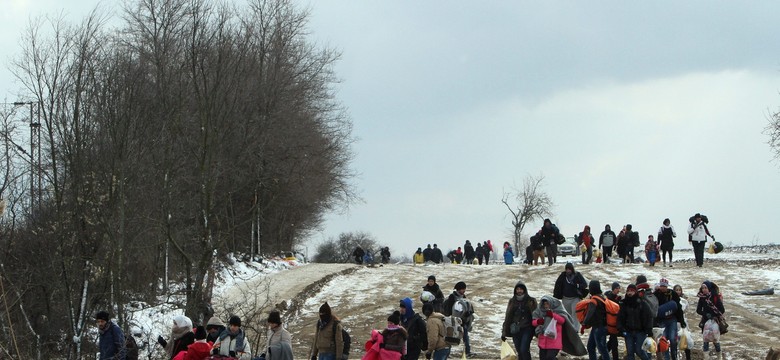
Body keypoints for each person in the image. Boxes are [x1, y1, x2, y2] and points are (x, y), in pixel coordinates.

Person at [501, 281, 537, 360]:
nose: (519, 291)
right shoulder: (512, 301)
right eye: (517, 289)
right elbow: (508, 317)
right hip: (515, 329)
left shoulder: (531, 301)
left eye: (521, 289)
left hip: (527, 328)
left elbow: (536, 315)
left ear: (524, 290)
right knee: (519, 351)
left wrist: (538, 329)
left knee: (524, 349)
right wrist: (504, 332)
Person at [617, 284, 652, 360]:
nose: (630, 293)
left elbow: (649, 316)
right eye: (628, 291)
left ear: (635, 292)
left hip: (640, 331)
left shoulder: (642, 303)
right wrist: (620, 328)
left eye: (632, 291)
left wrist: (649, 329)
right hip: (628, 331)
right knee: (630, 353)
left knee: (639, 351)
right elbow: (620, 317)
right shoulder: (624, 304)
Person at [654, 278, 686, 360]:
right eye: (661, 286)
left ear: (667, 286)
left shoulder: (672, 294)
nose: (663, 288)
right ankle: (667, 358)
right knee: (663, 341)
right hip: (661, 321)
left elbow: (678, 307)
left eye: (664, 286)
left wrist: (682, 321)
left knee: (672, 339)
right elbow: (654, 308)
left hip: (672, 319)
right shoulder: (656, 294)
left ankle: (674, 356)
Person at [552, 262, 588, 332]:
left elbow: (584, 284)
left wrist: (577, 285)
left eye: (569, 269)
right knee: (567, 314)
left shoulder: (577, 275)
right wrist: (557, 295)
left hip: (575, 298)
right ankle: (569, 329)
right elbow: (558, 285)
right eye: (567, 269)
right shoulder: (563, 276)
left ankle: (575, 330)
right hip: (565, 298)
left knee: (575, 313)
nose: (568, 271)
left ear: (572, 269)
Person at [442, 282, 474, 358]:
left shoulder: (463, 296)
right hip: (454, 321)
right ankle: (447, 353)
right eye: (463, 289)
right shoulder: (452, 297)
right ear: (458, 289)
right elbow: (450, 310)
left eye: (464, 289)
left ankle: (467, 352)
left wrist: (468, 313)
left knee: (465, 337)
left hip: (463, 321)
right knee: (451, 337)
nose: (464, 290)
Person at [583, 280, 611, 360]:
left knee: (601, 349)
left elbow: (590, 313)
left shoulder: (594, 300)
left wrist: (584, 323)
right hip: (601, 326)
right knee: (592, 347)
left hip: (598, 327)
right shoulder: (602, 297)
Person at [696, 281, 725, 356]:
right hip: (705, 321)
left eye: (705, 288)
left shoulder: (715, 297)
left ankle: (719, 356)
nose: (704, 290)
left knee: (716, 341)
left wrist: (714, 315)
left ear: (709, 288)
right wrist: (706, 314)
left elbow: (722, 309)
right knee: (705, 341)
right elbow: (698, 310)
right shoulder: (702, 298)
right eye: (702, 288)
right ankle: (706, 357)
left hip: (715, 321)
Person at [673, 285, 692, 360]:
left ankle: (688, 357)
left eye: (679, 290)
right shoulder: (671, 300)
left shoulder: (684, 301)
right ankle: (676, 356)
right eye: (676, 290)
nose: (678, 291)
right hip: (674, 323)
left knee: (686, 340)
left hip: (683, 323)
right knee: (675, 341)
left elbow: (686, 310)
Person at [605, 282, 622, 360]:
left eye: (619, 288)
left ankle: (603, 356)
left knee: (612, 341)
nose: (618, 290)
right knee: (614, 342)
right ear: (613, 289)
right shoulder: (610, 297)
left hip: (614, 323)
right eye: (616, 288)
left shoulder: (616, 297)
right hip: (609, 323)